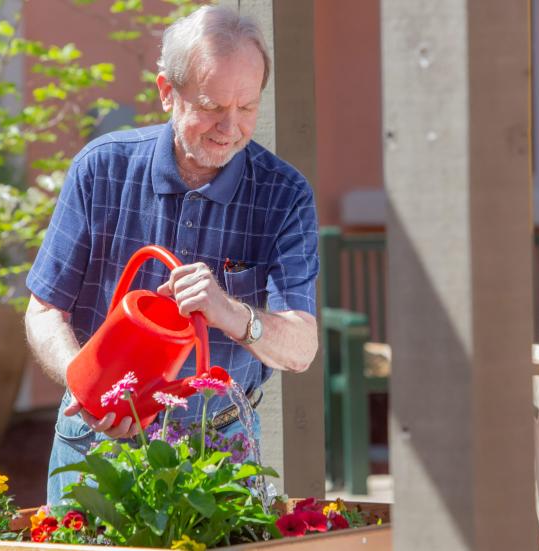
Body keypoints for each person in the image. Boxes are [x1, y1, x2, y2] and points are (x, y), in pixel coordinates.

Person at [24, 5, 319, 503]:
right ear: (167, 92)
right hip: (95, 435)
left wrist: (227, 311)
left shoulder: (284, 194)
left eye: (246, 107)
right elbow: (44, 310)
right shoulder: (101, 168)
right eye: (211, 105)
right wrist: (87, 387)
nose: (230, 127)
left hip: (220, 448)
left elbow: (301, 349)